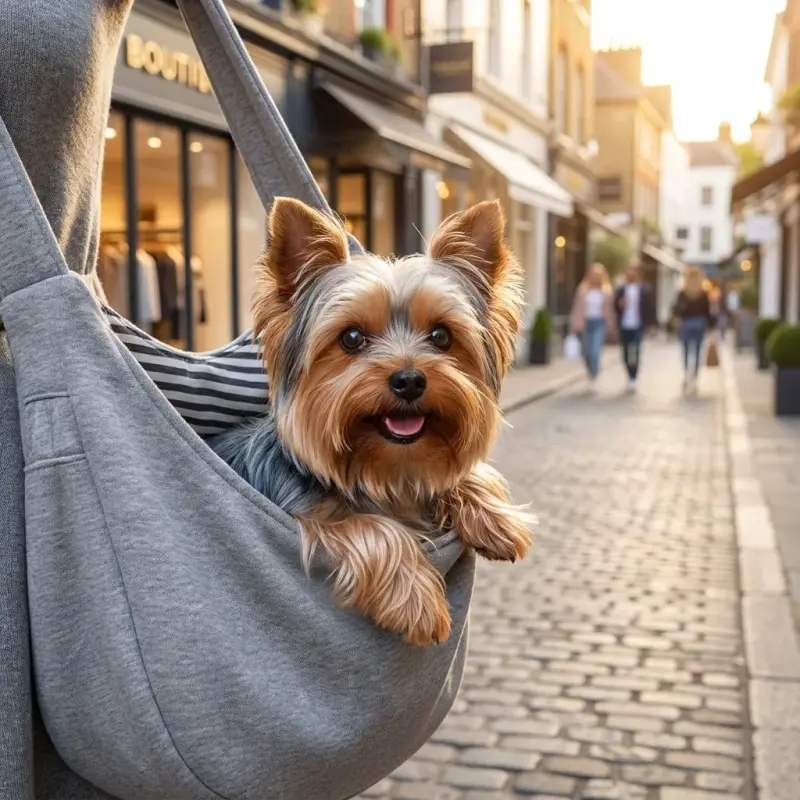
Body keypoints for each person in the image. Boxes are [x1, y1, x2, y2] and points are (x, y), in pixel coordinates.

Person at [569, 262, 617, 391]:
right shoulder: (582, 290)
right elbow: (576, 308)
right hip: (585, 323)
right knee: (585, 352)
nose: (595, 277)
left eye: (598, 274)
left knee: (594, 351)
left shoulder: (607, 291)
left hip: (599, 323)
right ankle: (590, 371)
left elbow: (610, 311)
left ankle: (594, 376)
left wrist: (611, 327)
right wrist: (574, 325)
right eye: (593, 274)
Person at [614, 262, 656, 392]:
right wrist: (619, 305)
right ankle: (629, 373)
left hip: (638, 325)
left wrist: (651, 325)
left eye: (634, 272)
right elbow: (614, 306)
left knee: (636, 350)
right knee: (625, 352)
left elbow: (650, 308)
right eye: (629, 271)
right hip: (624, 325)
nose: (631, 274)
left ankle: (634, 377)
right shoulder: (621, 289)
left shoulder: (644, 289)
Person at [673, 266, 715, 390]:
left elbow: (677, 309)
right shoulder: (703, 293)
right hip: (700, 323)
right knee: (697, 350)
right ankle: (695, 377)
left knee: (686, 350)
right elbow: (707, 312)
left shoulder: (683, 292)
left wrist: (677, 319)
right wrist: (711, 327)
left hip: (686, 323)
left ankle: (687, 374)